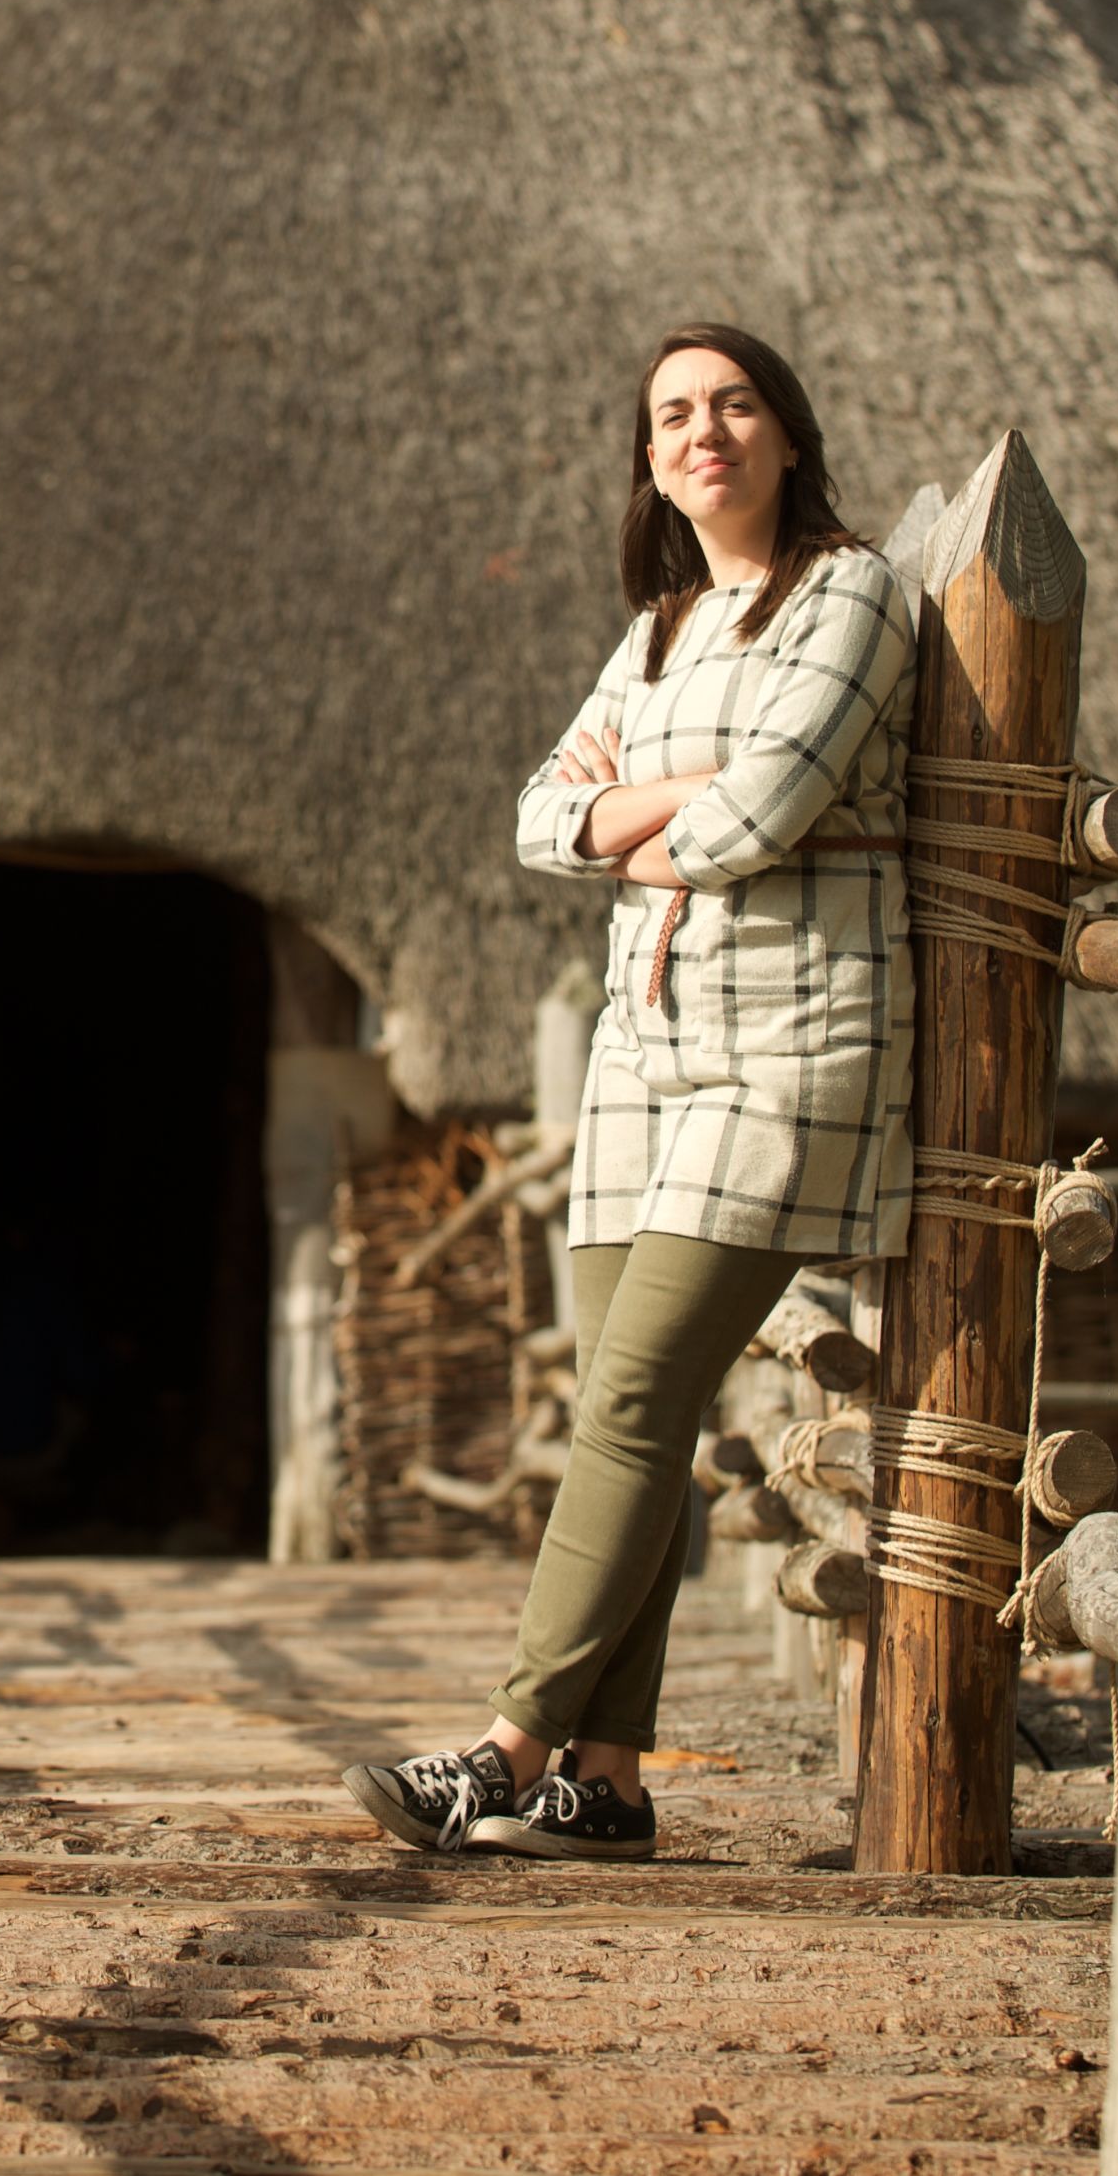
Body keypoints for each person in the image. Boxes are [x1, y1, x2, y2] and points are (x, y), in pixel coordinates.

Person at [341, 323, 913, 1863]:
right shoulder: (655, 629)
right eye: (672, 413)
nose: (701, 431)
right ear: (649, 454)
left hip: (791, 1041)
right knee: (621, 1408)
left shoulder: (850, 595)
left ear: (788, 433)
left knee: (644, 1388)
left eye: (733, 404)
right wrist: (662, 816)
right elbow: (540, 817)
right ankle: (610, 1779)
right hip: (642, 1053)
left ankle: (505, 1746)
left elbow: (774, 805)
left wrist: (636, 820)